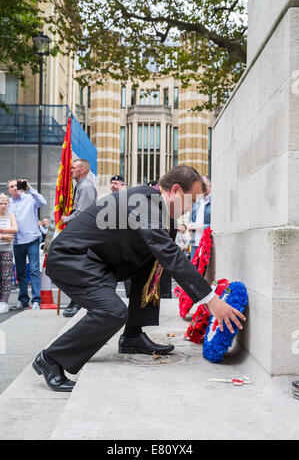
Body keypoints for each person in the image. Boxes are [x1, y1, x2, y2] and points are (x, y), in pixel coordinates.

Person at [32, 165, 245, 392]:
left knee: (155, 260)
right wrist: (210, 300)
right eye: (192, 202)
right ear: (175, 190)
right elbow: (170, 254)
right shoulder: (144, 202)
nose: (190, 209)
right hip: (72, 259)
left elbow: (164, 255)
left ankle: (132, 336)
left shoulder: (163, 214)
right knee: (112, 312)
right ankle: (51, 359)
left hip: (100, 263)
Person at [61, 159, 98, 317]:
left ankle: (78, 301)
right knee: (76, 268)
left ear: (82, 170)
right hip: (79, 233)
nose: (70, 170)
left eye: (74, 168)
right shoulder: (80, 186)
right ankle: (78, 301)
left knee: (78, 268)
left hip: (83, 234)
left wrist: (65, 219)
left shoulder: (87, 187)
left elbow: (84, 213)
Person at [8, 179, 46, 310]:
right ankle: (23, 300)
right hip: (17, 241)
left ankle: (36, 301)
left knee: (35, 270)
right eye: (12, 186)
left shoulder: (30, 198)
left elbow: (43, 202)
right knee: (20, 272)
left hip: (32, 239)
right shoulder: (8, 204)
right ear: (9, 190)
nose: (15, 188)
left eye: (17, 185)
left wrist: (30, 188)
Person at [0, 194, 18, 313]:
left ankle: (4, 302)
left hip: (7, 250)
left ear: (8, 204)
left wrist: (1, 231)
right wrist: (4, 236)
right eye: (0, 204)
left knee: (6, 276)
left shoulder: (10, 215)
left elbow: (15, 229)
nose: (3, 206)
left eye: (5, 203)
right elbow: (10, 232)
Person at [188, 176, 211, 261]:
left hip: (207, 243)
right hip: (195, 243)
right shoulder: (196, 202)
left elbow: (217, 225)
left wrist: (203, 227)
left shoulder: (214, 201)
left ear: (210, 185)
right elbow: (191, 219)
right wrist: (190, 225)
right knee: (194, 270)